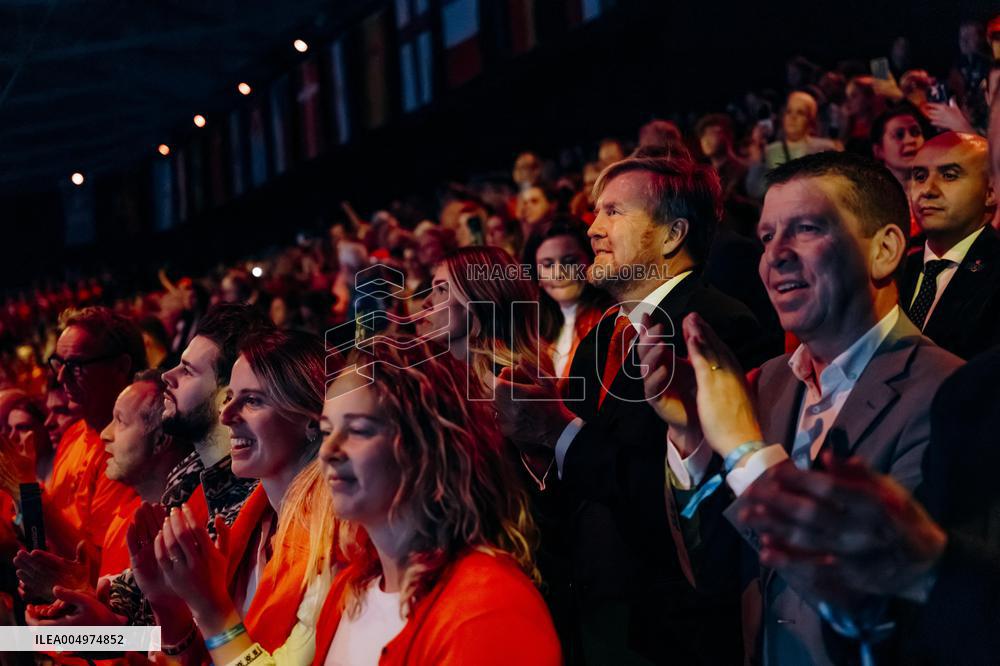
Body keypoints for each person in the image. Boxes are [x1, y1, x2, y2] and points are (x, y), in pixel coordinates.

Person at [647, 151, 964, 665]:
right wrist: (693, 441)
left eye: (808, 228)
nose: (776, 255)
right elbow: (715, 574)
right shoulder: (767, 382)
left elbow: (884, 600)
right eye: (768, 236)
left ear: (884, 250)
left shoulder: (951, 394)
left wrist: (747, 452)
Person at [494, 150, 772, 664]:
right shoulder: (603, 337)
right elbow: (576, 469)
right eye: (595, 212)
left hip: (675, 632)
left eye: (614, 212)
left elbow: (694, 497)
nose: (593, 229)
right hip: (594, 613)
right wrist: (536, 449)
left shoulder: (717, 328)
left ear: (672, 236)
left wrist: (560, 434)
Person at [135, 328, 329, 664]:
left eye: (252, 400)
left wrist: (94, 636)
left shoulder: (330, 538)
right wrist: (164, 603)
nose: (225, 414)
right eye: (229, 398)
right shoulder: (239, 519)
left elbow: (133, 636)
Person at [16, 372, 191, 609]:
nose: (104, 435)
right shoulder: (125, 513)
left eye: (120, 421)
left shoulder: (184, 527)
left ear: (160, 440)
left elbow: (158, 638)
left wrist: (76, 597)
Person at [902, 132, 1000, 358]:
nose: (928, 190)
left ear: (990, 191)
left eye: (949, 175)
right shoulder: (895, 272)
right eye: (919, 176)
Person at [522, 217, 611, 377]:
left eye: (569, 261)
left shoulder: (610, 321)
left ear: (592, 262)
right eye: (548, 265)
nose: (559, 274)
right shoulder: (535, 330)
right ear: (537, 275)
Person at [747, 91, 840, 197]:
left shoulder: (825, 148)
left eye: (800, 112)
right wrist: (756, 154)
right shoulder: (770, 151)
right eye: (789, 111)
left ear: (810, 120)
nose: (793, 117)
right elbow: (755, 190)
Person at [871, 101, 933, 188]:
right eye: (899, 135)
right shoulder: (872, 196)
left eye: (916, 132)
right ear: (879, 150)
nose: (910, 140)